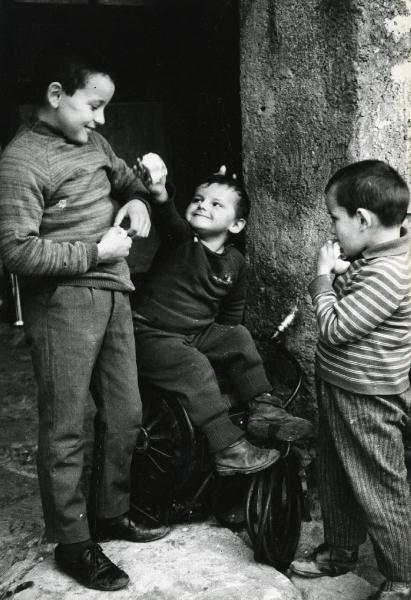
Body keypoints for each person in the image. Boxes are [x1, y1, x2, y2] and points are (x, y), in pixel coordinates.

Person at [0, 46, 170, 592]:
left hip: (116, 290)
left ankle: (110, 512)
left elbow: (125, 179)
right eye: (94, 105)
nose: (102, 120)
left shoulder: (91, 141)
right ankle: (73, 542)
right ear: (56, 95)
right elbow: (17, 251)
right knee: (67, 424)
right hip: (64, 302)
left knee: (125, 411)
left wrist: (140, 199)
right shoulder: (21, 161)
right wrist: (95, 252)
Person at [120, 158, 313, 477]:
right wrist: (160, 194)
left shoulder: (235, 263)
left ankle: (264, 411)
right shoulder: (182, 242)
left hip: (194, 333)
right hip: (149, 333)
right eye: (197, 199)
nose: (201, 206)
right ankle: (228, 449)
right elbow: (168, 218)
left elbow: (231, 315)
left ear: (236, 225)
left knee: (237, 336)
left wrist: (225, 344)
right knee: (193, 366)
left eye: (215, 203)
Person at [290, 160, 411, 600]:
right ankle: (340, 549)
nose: (332, 229)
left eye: (334, 218)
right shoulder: (379, 255)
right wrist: (343, 275)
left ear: (363, 219)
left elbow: (336, 328)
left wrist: (322, 278)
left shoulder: (388, 272)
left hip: (368, 396)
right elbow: (360, 299)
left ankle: (403, 576)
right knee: (336, 471)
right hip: (343, 385)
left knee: (380, 487)